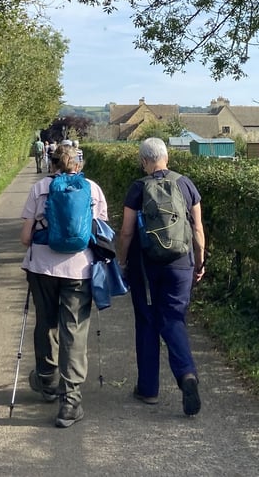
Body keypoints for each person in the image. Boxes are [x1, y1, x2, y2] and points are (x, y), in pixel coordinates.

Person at [19, 144, 108, 428]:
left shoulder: (40, 188)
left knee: (45, 322)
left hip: (42, 268)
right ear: (78, 164)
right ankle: (70, 401)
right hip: (79, 269)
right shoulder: (92, 188)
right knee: (75, 329)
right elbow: (101, 230)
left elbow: (24, 237)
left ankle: (46, 380)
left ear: (51, 162)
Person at [116, 137, 206, 416]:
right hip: (181, 264)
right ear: (167, 157)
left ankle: (148, 389)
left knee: (147, 321)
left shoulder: (138, 188)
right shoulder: (186, 184)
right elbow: (198, 231)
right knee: (173, 318)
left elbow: (128, 231)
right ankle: (186, 374)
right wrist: (200, 263)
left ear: (144, 161)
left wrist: (122, 261)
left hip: (146, 265)